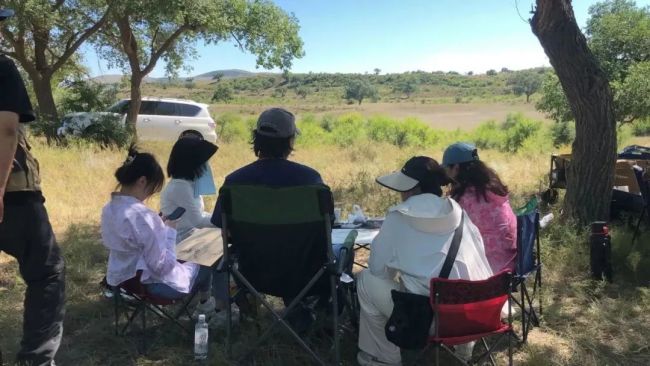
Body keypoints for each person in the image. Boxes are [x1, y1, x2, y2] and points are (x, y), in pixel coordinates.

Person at [356, 156, 493, 366]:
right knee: (456, 281)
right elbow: (480, 263)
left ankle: (382, 359)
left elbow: (378, 270)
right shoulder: (461, 213)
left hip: (430, 322)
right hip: (479, 316)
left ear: (410, 189)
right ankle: (463, 351)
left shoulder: (399, 216)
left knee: (366, 281)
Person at [210, 107, 331, 330]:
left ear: (256, 139)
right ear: (290, 141)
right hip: (306, 274)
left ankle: (254, 314)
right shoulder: (311, 180)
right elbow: (325, 230)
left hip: (252, 274)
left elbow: (224, 230)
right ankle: (312, 313)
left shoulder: (234, 183)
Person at [0, 8, 66, 366]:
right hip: (13, 195)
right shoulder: (2, 68)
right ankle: (37, 360)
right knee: (47, 272)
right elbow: (7, 129)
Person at [100, 147, 229, 327]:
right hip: (155, 286)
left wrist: (158, 227)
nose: (149, 196)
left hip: (124, 280)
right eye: (152, 190)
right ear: (142, 181)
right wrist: (169, 230)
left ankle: (207, 305)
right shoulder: (143, 216)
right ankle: (220, 310)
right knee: (214, 254)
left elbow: (131, 242)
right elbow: (163, 266)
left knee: (201, 250)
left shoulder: (109, 209)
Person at [442, 142, 517, 273]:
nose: (446, 173)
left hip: (487, 272)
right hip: (510, 264)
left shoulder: (464, 199)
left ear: (457, 168)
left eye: (447, 168)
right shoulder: (493, 189)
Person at [160, 137, 218, 243]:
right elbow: (198, 221)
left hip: (189, 238)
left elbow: (199, 214)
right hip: (179, 244)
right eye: (203, 163)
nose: (207, 166)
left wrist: (220, 218)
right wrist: (224, 221)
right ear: (192, 163)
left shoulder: (188, 184)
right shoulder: (180, 187)